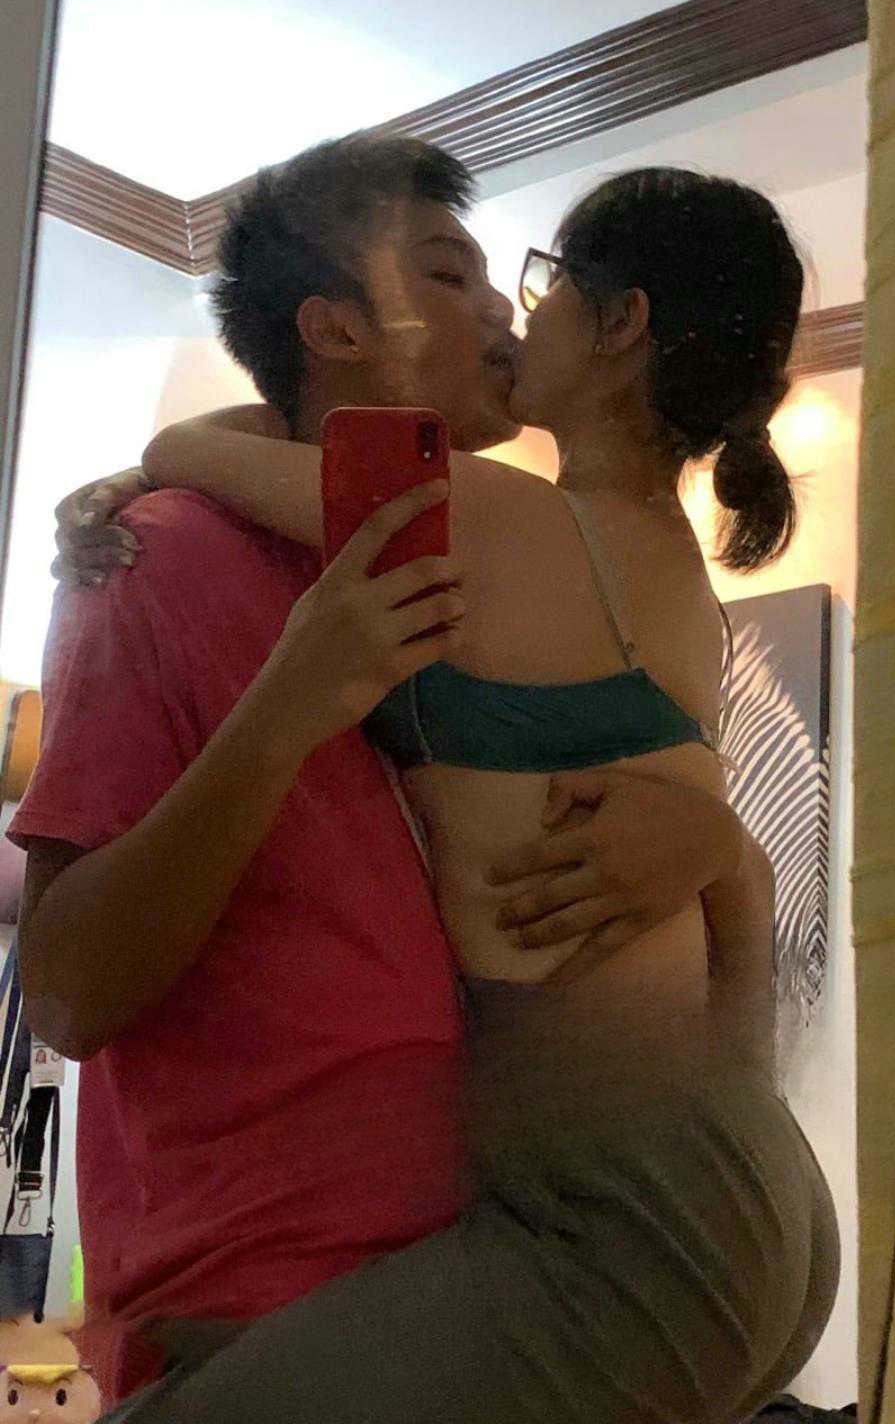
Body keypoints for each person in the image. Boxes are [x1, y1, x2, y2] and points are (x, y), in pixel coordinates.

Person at [53, 144, 839, 1424]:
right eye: (450, 274)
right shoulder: (651, 565)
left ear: (622, 325)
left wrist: (161, 453)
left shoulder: (494, 522)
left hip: (621, 1210)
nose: (504, 312)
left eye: (531, 279)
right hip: (726, 1184)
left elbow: (190, 447)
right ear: (336, 327)